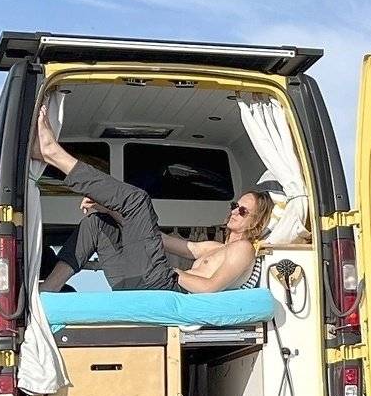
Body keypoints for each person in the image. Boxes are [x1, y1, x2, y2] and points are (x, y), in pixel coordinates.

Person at [34, 107, 271, 294]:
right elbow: (156, 238)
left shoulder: (243, 249)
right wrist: (108, 209)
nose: (234, 211)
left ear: (256, 222)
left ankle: (52, 152)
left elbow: (209, 287)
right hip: (139, 281)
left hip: (165, 285)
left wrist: (172, 272)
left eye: (243, 211)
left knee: (137, 200)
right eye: (235, 206)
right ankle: (48, 290)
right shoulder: (215, 248)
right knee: (97, 223)